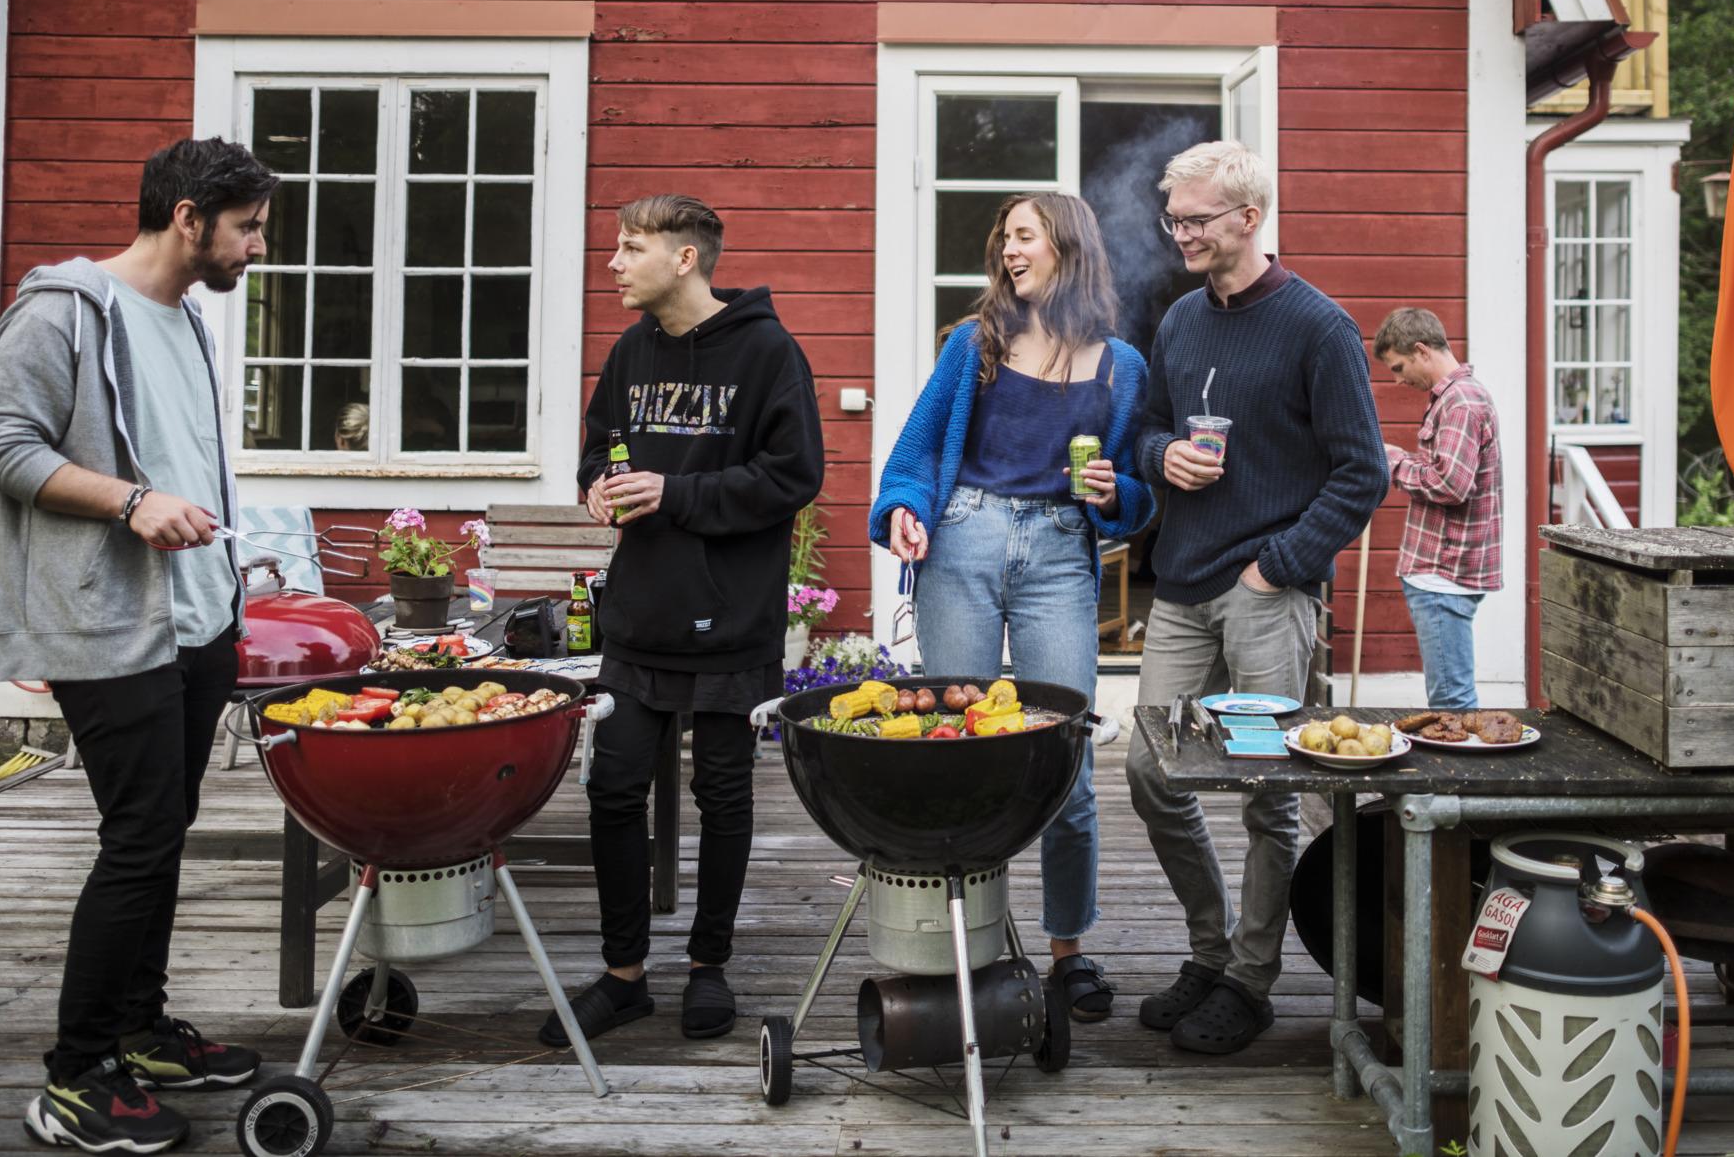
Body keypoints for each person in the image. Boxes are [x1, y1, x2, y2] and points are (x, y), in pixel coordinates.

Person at [0, 136, 273, 1154]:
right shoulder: (63, 311)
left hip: (195, 621)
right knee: (137, 841)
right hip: (110, 625)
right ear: (188, 217)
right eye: (248, 228)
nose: (257, 249)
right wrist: (130, 503)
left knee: (162, 834)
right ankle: (73, 1074)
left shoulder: (185, 321)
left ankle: (141, 1029)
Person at [1123, 141, 1388, 1056]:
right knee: (1151, 773)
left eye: (1197, 219)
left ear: (1249, 217)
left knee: (1270, 795)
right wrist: (1163, 458)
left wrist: (1279, 565)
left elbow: (1361, 475)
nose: (1183, 235)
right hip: (1185, 584)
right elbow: (1147, 430)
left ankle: (1250, 976)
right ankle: (1209, 948)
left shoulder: (1320, 327)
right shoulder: (1180, 322)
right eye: (1176, 220)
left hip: (1269, 592)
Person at [541, 194, 824, 1048]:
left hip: (731, 619)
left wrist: (678, 492)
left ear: (686, 258)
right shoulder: (632, 351)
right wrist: (599, 481)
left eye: (631, 249)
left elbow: (793, 475)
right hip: (640, 617)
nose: (615, 263)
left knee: (723, 793)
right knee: (613, 787)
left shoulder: (770, 351)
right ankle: (624, 975)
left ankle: (709, 966)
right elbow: (602, 445)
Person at [871, 192, 1155, 1022]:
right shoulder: (975, 344)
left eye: (1022, 236)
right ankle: (963, 943)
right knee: (958, 751)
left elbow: (1135, 497)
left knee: (1065, 759)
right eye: (1004, 239)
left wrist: (1115, 490)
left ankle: (1069, 950)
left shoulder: (1122, 366)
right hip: (962, 542)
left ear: (1067, 245)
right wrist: (904, 508)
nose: (1007, 250)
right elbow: (916, 453)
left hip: (1061, 560)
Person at [1373, 307, 1503, 710]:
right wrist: (1403, 456)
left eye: (1398, 366)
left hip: (1443, 574)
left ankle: (1465, 773)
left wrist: (1394, 463)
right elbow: (1446, 470)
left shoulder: (1461, 402)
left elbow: (1450, 485)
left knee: (1452, 702)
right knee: (1449, 698)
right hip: (1440, 573)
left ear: (1421, 350)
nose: (1397, 379)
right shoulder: (1458, 397)